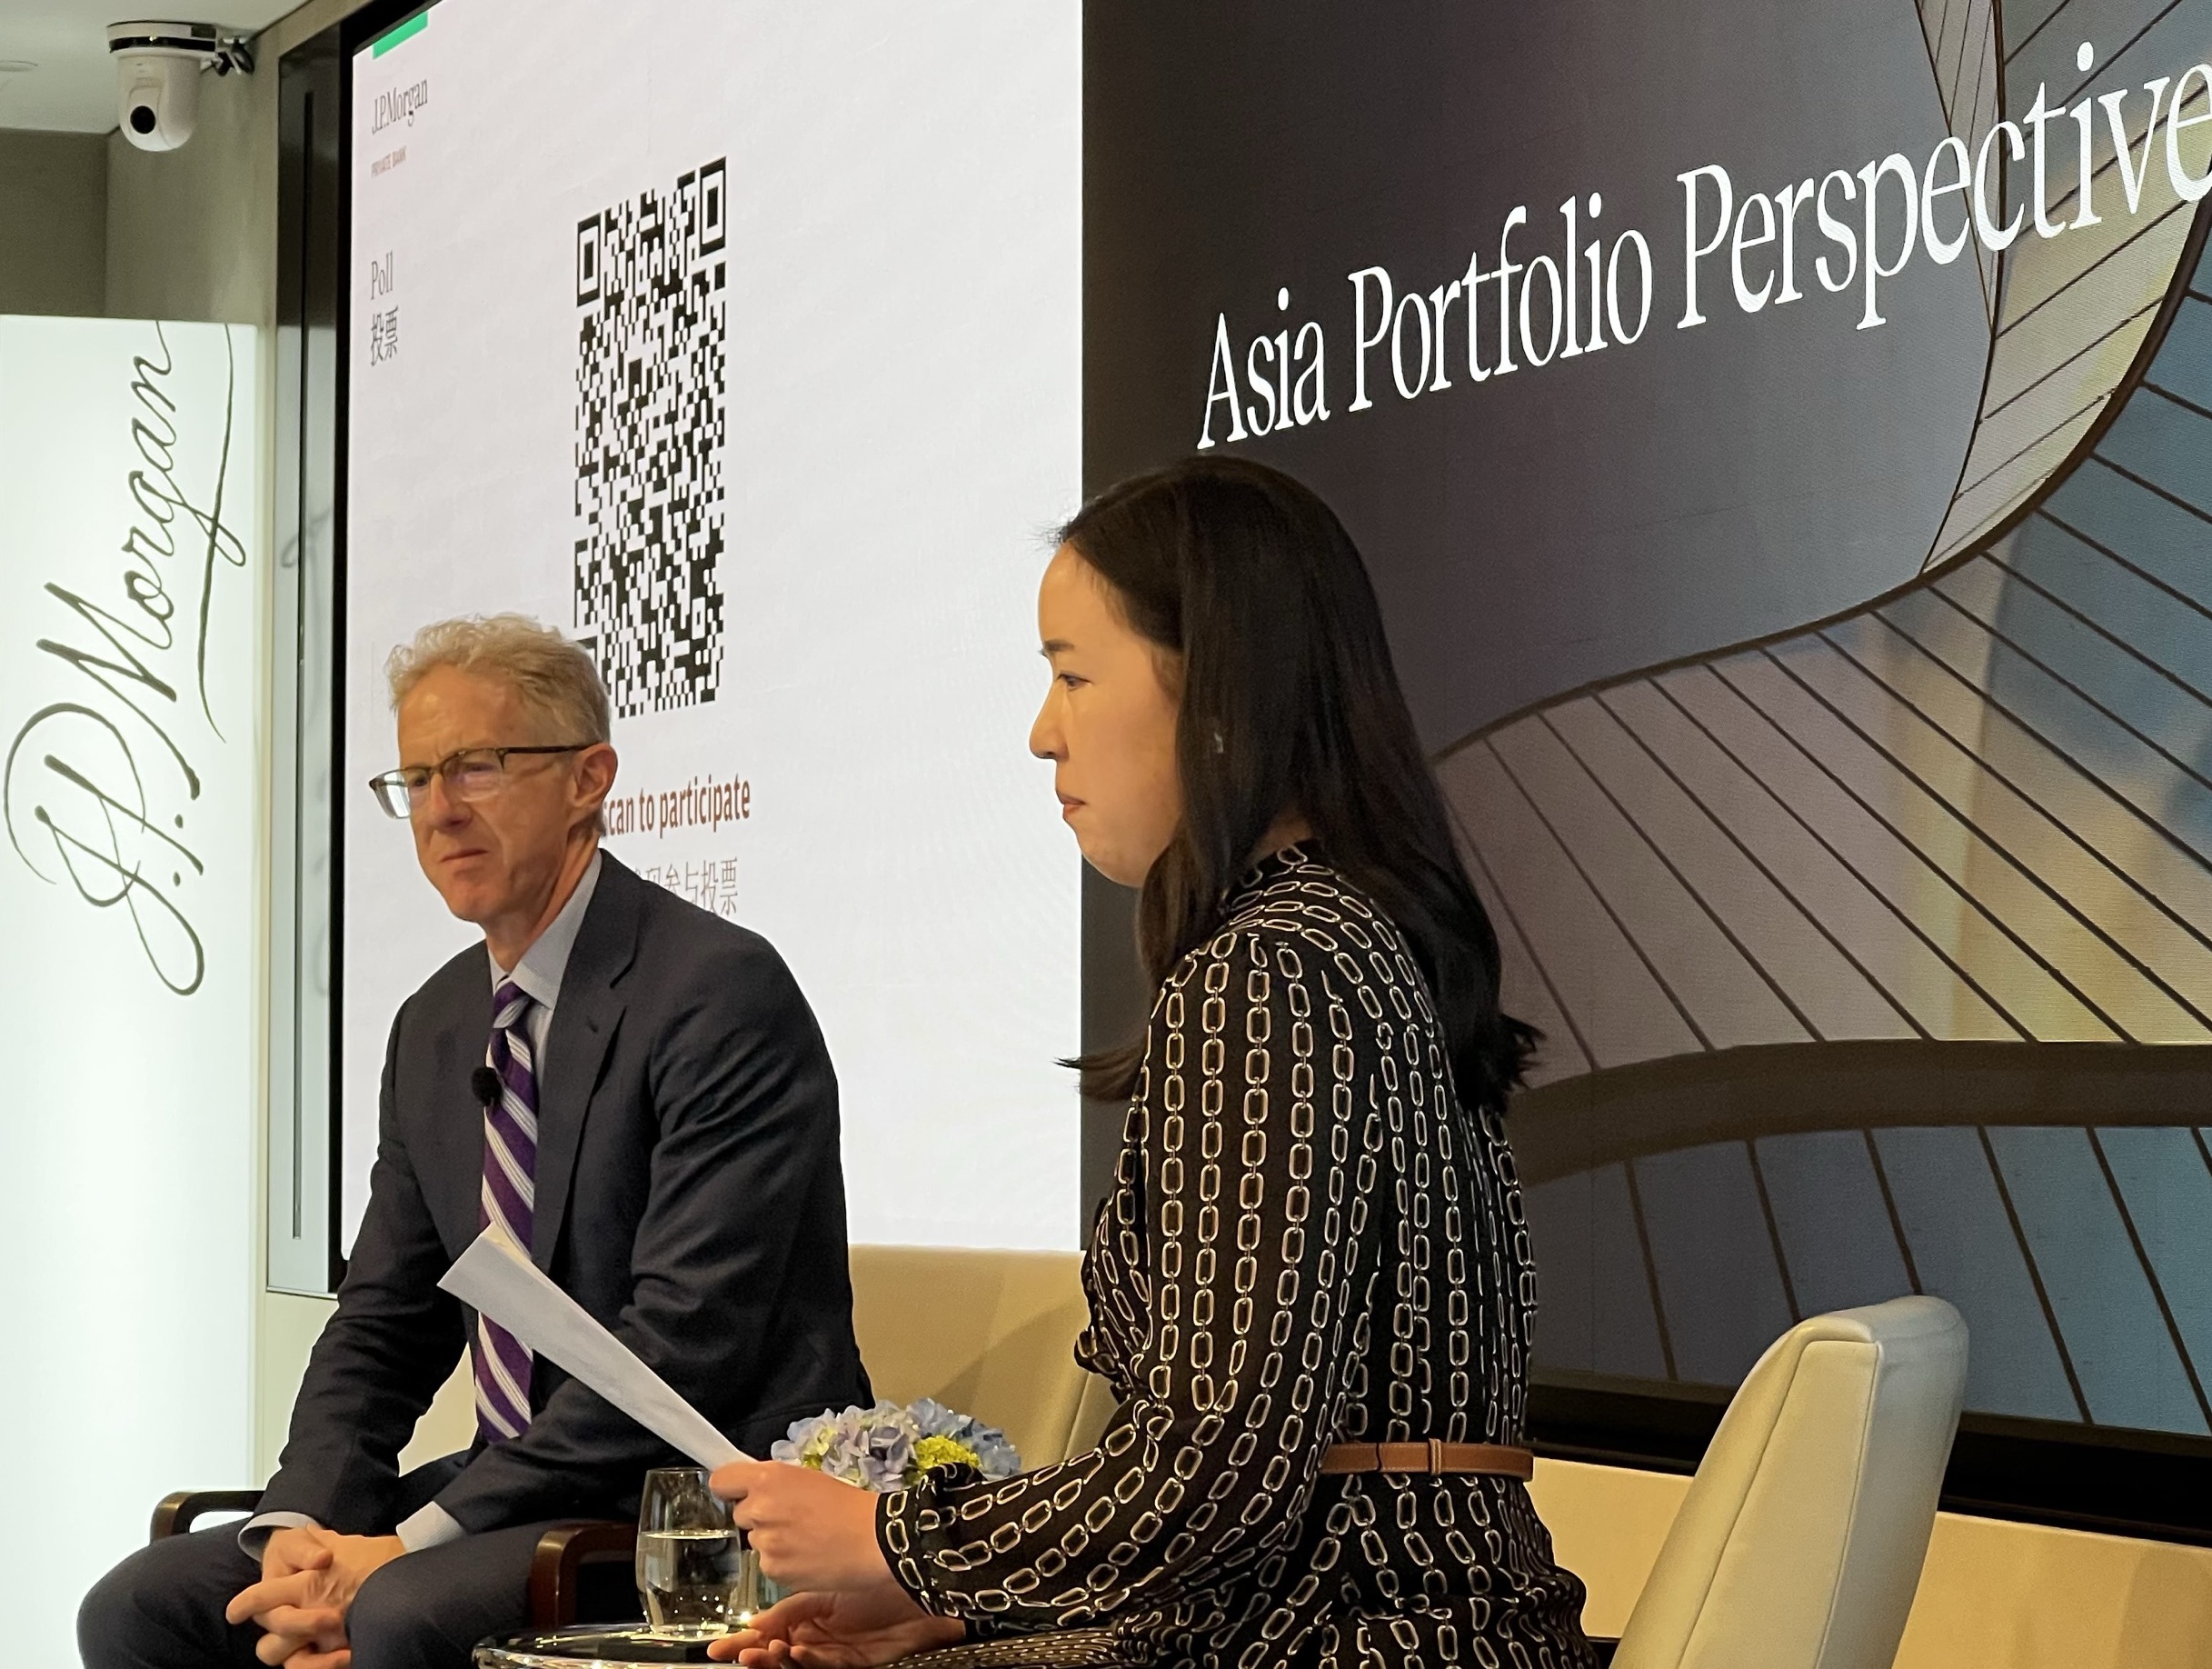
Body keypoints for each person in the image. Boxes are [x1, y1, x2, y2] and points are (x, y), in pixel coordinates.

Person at [709, 459, 1596, 1668]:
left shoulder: (1265, 972)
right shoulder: (1352, 937)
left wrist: (897, 1540)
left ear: (1219, 692)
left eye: (1073, 675)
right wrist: (972, 1609)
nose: (1041, 733)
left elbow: (1216, 1478)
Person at [81, 615, 868, 1669]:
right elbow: (384, 1323)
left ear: (589, 778)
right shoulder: (437, 1024)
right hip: (513, 1489)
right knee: (147, 1604)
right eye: (415, 780)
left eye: (478, 768)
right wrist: (302, 1532)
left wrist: (395, 1553)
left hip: (685, 1505)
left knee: (399, 1614)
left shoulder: (715, 992)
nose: (440, 811)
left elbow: (681, 1349)